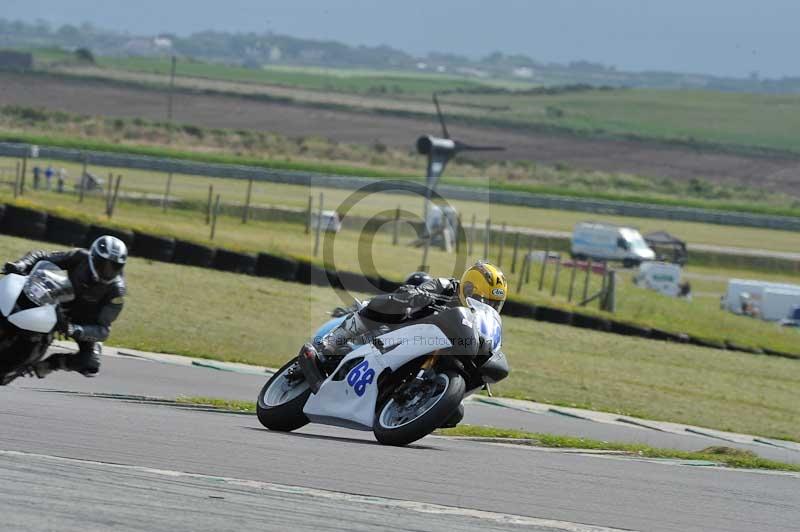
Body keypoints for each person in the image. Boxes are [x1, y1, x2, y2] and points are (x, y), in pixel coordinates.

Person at [316, 261, 507, 362]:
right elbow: (415, 292)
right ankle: (335, 339)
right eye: (485, 300)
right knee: (392, 303)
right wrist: (419, 294)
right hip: (403, 330)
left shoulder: (479, 321)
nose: (487, 306)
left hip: (430, 350)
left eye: (494, 304)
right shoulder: (445, 285)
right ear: (468, 289)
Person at [3, 236, 128, 377]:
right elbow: (43, 256)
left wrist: (74, 329)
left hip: (81, 322)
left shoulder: (117, 293)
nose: (108, 271)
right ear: (93, 258)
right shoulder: (80, 257)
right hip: (59, 301)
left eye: (114, 267)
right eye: (103, 265)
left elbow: (102, 330)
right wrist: (22, 264)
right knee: (16, 299)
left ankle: (51, 364)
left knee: (90, 364)